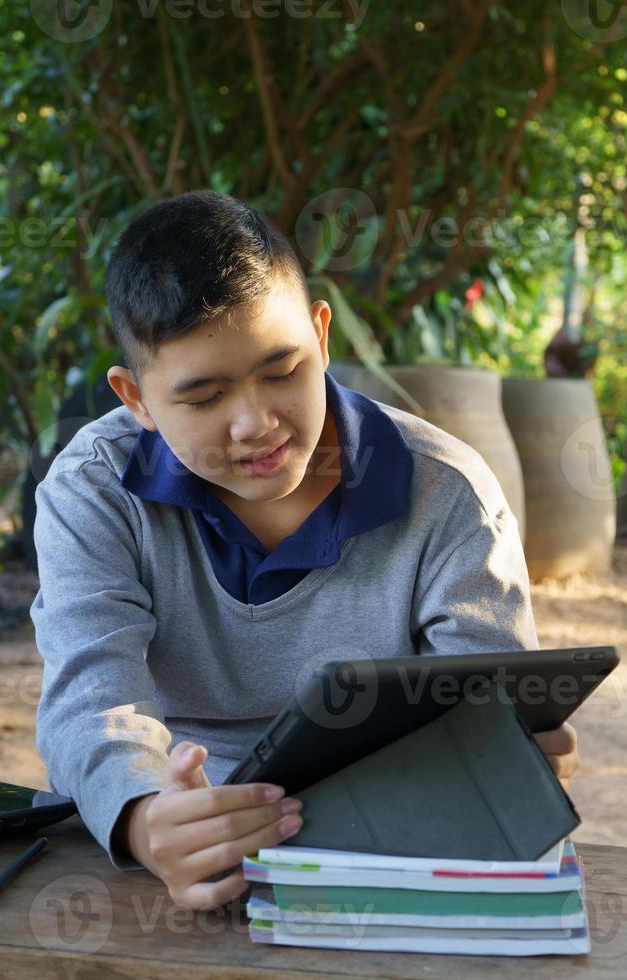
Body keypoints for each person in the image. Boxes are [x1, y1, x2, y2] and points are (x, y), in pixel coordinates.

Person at [31, 191, 579, 911]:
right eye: (203, 398)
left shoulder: (448, 493)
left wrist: (506, 757)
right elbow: (89, 703)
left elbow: (479, 717)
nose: (255, 423)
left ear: (321, 337)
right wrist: (142, 817)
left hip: (395, 837)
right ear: (136, 399)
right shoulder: (94, 490)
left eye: (283, 371)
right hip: (186, 832)